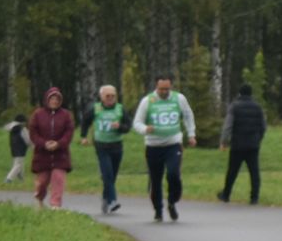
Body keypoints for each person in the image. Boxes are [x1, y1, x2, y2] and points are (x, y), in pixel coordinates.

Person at [131, 76, 196, 222]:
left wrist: (191, 134)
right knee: (156, 180)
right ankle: (158, 209)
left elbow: (188, 115)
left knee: (173, 174)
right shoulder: (148, 101)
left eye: (167, 89)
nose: (164, 92)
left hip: (173, 143)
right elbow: (137, 123)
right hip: (153, 146)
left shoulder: (179, 99)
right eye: (161, 89)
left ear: (171, 87)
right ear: (156, 87)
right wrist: (145, 129)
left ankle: (172, 201)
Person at [79, 84, 129, 213]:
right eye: (108, 96)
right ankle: (113, 201)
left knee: (112, 176)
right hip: (101, 146)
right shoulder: (95, 109)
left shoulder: (120, 109)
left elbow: (128, 126)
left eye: (113, 96)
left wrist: (119, 127)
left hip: (117, 146)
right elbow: (85, 121)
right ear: (102, 97)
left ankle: (105, 197)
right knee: (107, 174)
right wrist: (83, 136)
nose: (110, 98)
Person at [218, 82, 268, 204]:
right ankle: (254, 197)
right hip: (253, 145)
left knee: (232, 171)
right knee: (254, 172)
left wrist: (224, 141)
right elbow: (263, 126)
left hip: (237, 145)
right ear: (251, 93)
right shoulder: (258, 107)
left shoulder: (234, 106)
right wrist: (258, 139)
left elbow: (227, 126)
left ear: (239, 93)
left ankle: (226, 194)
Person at [28, 87, 76, 209]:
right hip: (42, 155)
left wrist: (59, 144)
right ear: (47, 100)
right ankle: (39, 198)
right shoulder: (38, 114)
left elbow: (69, 133)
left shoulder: (66, 115)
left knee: (58, 179)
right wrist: (44, 143)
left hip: (60, 155)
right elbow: (33, 132)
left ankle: (55, 205)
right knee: (42, 182)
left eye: (57, 99)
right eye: (52, 99)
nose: (54, 101)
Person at [1, 112, 29, 184]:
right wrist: (33, 145)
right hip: (21, 148)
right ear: (22, 121)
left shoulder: (12, 128)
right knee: (18, 164)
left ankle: (21, 178)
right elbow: (27, 139)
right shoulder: (22, 129)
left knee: (20, 163)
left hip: (14, 148)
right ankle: (9, 179)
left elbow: (6, 127)